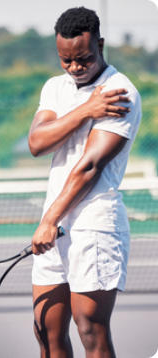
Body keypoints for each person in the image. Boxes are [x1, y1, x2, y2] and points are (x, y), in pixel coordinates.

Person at [28, 7, 141, 358]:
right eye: (66, 60)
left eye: (84, 59)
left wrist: (49, 220)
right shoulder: (55, 87)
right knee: (45, 330)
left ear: (101, 45)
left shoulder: (119, 91)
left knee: (90, 327)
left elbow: (89, 166)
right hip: (54, 224)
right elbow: (37, 142)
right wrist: (84, 111)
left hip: (94, 224)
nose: (76, 68)